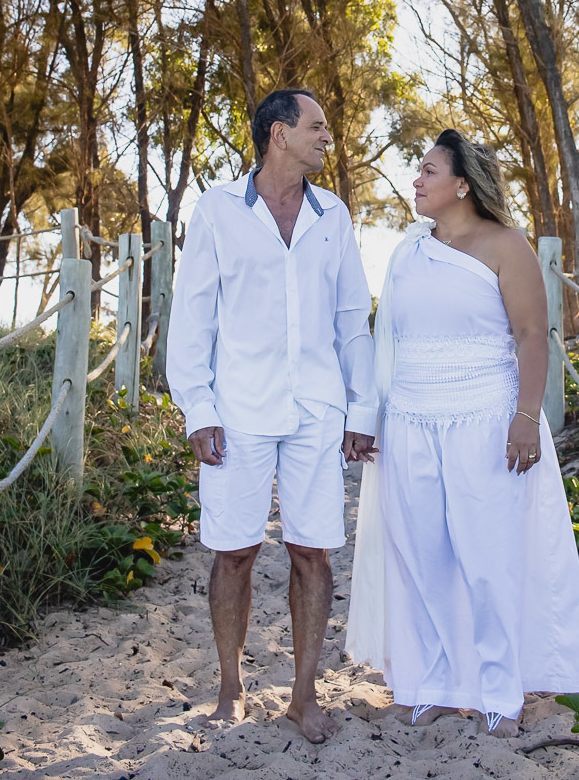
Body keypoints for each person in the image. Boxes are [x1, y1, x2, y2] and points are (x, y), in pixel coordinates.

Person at [346, 129, 579, 735]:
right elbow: (387, 341)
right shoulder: (408, 251)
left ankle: (498, 691)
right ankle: (433, 683)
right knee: (421, 557)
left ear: (462, 184)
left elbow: (532, 336)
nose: (416, 181)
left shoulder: (506, 245)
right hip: (410, 422)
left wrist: (526, 417)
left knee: (487, 561)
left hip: (486, 420)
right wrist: (370, 417)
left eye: (429, 171)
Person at [167, 88, 378, 743]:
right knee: (234, 552)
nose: (327, 137)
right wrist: (198, 409)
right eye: (317, 126)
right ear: (279, 133)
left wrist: (362, 407)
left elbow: (352, 319)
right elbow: (192, 318)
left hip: (318, 407)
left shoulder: (333, 214)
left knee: (312, 552)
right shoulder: (217, 210)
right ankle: (230, 690)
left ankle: (303, 694)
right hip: (237, 409)